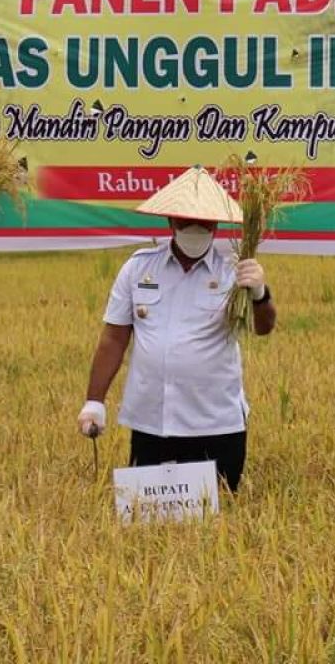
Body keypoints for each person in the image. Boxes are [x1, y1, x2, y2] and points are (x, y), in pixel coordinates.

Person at [75, 166, 276, 491]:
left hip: (216, 423)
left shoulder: (234, 273)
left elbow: (263, 328)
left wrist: (259, 294)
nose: (195, 229)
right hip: (153, 423)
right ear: (170, 221)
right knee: (149, 524)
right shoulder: (138, 268)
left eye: (204, 222)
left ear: (216, 225)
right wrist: (94, 401)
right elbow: (114, 337)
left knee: (220, 522)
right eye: (186, 221)